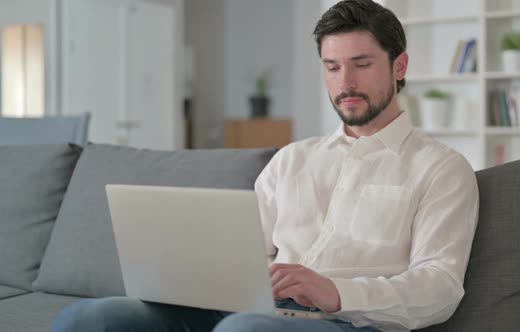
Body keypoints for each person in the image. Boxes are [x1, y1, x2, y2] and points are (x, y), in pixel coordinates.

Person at [51, 0, 478, 331]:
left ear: (399, 65)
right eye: (332, 67)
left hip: (350, 323)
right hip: (256, 313)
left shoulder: (441, 168)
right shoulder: (291, 159)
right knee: (89, 320)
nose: (345, 83)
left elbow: (440, 287)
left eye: (361, 65)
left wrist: (334, 291)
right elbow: (239, 253)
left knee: (243, 328)